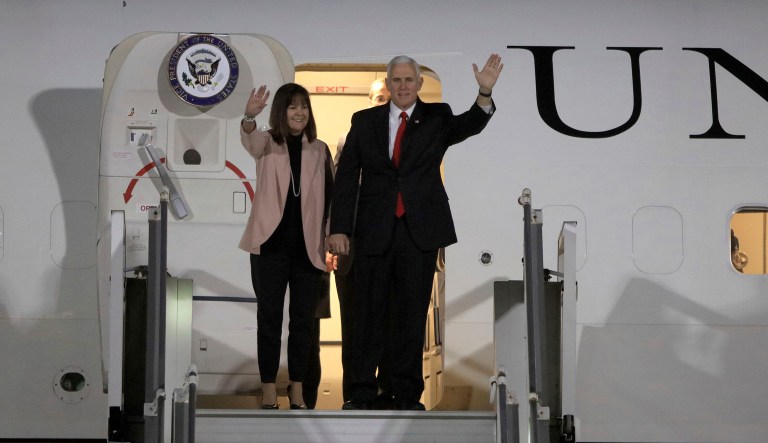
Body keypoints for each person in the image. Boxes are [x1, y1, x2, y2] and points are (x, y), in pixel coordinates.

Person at [328, 53, 503, 411]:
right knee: (367, 317)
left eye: (410, 80)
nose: (404, 86)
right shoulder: (364, 121)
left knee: (409, 317)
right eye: (397, 80)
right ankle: (360, 394)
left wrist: (483, 93)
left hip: (418, 233)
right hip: (373, 231)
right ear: (389, 83)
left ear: (420, 84)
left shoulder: (436, 118)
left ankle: (405, 395)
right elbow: (346, 178)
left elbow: (471, 123)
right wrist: (339, 229)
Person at [239, 83, 333, 410]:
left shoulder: (319, 149)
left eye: (304, 107)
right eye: (293, 107)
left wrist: (332, 236)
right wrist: (249, 116)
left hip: (309, 249)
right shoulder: (266, 143)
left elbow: (331, 199)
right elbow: (249, 138)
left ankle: (296, 387)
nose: (299, 112)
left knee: (303, 321)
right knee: (269, 318)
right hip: (270, 247)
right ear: (281, 110)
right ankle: (267, 387)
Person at [333, 78, 395, 408]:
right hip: (353, 246)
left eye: (383, 98)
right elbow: (338, 190)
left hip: (389, 245)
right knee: (354, 323)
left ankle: (387, 391)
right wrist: (333, 236)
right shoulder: (349, 137)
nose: (378, 102)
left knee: (388, 321)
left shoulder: (403, 139)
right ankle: (355, 394)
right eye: (374, 97)